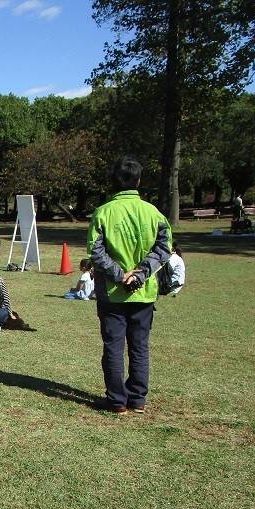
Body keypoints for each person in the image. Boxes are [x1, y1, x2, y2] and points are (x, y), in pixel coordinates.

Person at [87, 156, 172, 414]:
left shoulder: (103, 212)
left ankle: (116, 400)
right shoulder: (153, 213)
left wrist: (119, 274)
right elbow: (164, 248)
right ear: (138, 180)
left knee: (113, 346)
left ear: (113, 181)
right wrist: (141, 274)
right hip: (144, 293)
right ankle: (137, 399)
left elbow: (96, 251)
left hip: (112, 293)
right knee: (139, 346)